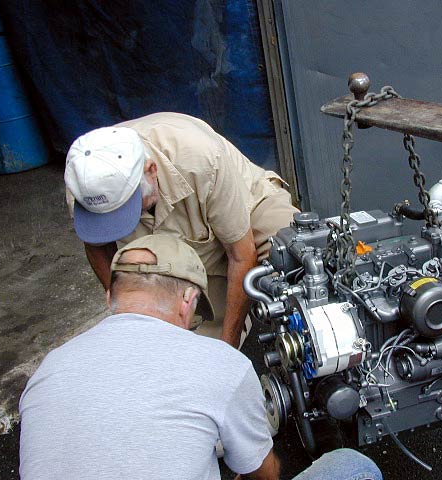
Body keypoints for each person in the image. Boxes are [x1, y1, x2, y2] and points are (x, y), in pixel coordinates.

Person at [19, 234, 383, 480]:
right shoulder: (219, 365)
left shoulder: (48, 371)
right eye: (194, 317)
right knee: (352, 467)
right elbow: (264, 474)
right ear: (187, 301)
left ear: (110, 298)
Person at [64, 112, 299, 347]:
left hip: (246, 207)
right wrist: (123, 307)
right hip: (183, 252)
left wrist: (229, 348)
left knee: (296, 250)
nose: (121, 219)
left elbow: (241, 253)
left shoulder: (199, 156)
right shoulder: (85, 184)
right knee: (187, 353)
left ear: (151, 170)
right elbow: (96, 247)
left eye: (126, 207)